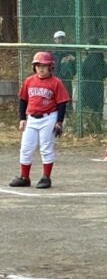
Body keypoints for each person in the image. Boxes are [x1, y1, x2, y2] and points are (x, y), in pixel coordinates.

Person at [10, 52, 71, 189]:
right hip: (31, 117)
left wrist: (59, 122)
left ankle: (46, 177)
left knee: (46, 148)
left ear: (50, 67)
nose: (41, 68)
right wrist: (22, 118)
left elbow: (62, 103)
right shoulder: (29, 81)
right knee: (26, 148)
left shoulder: (56, 82)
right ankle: (25, 177)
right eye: (38, 65)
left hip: (49, 117)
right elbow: (23, 100)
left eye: (44, 66)